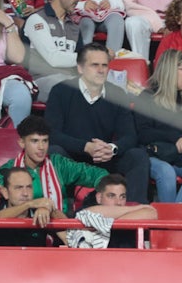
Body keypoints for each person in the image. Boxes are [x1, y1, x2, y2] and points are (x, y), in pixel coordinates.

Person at [46, 43, 151, 202]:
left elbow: (130, 136)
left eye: (104, 65)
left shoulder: (117, 94)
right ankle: (63, 213)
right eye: (95, 65)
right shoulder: (60, 91)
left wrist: (112, 149)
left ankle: (134, 213)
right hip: (72, 157)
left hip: (105, 158)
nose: (101, 70)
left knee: (137, 155)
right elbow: (52, 134)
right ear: (80, 68)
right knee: (55, 152)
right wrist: (86, 146)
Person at [135, 49, 182, 203]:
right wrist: (175, 137)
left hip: (180, 155)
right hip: (153, 154)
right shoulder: (147, 96)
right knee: (166, 172)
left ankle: (174, 217)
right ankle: (168, 223)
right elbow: (143, 133)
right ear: (171, 70)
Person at [0, 115, 106, 216]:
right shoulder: (8, 170)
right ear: (22, 143)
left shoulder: (60, 164)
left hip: (58, 229)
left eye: (45, 141)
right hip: (20, 231)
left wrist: (104, 193)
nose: (41, 147)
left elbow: (101, 175)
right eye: (35, 141)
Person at [24, 0, 83, 102]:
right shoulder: (37, 19)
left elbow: (80, 59)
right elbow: (53, 58)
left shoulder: (74, 26)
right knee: (73, 90)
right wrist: (90, 58)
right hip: (42, 80)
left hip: (70, 80)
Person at [63, 172, 157, 249]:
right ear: (99, 198)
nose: (118, 202)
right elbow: (88, 213)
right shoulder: (84, 211)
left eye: (122, 197)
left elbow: (151, 213)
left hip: (126, 265)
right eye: (111, 196)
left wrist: (107, 224)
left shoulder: (128, 210)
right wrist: (136, 209)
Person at [0, 165, 56, 247]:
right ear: (6, 193)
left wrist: (49, 209)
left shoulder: (39, 212)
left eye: (29, 187)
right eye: (19, 188)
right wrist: (28, 204)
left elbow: (66, 229)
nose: (25, 193)